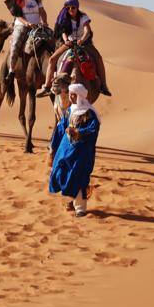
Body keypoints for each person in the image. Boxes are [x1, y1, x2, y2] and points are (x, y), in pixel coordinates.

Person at [38, 0, 111, 97]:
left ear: (77, 8)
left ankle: (103, 85)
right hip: (70, 43)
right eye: (68, 8)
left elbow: (87, 30)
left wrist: (82, 39)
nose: (70, 10)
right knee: (52, 59)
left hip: (84, 43)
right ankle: (47, 87)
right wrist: (66, 40)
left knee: (98, 58)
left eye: (73, 8)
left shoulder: (83, 17)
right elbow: (63, 31)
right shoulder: (65, 18)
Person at [48, 82, 101, 217]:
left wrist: (77, 132)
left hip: (81, 152)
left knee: (78, 176)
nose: (70, 97)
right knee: (61, 172)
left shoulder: (89, 113)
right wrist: (53, 146)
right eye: (70, 94)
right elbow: (61, 128)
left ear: (79, 96)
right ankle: (69, 200)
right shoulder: (69, 111)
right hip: (66, 149)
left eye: (72, 95)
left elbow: (93, 129)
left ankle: (80, 208)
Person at [3, 0, 48, 81]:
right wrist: (27, 23)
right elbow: (18, 16)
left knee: (52, 39)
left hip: (37, 26)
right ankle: (11, 70)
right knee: (16, 43)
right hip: (22, 26)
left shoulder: (37, 0)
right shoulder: (19, 0)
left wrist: (44, 21)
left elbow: (42, 11)